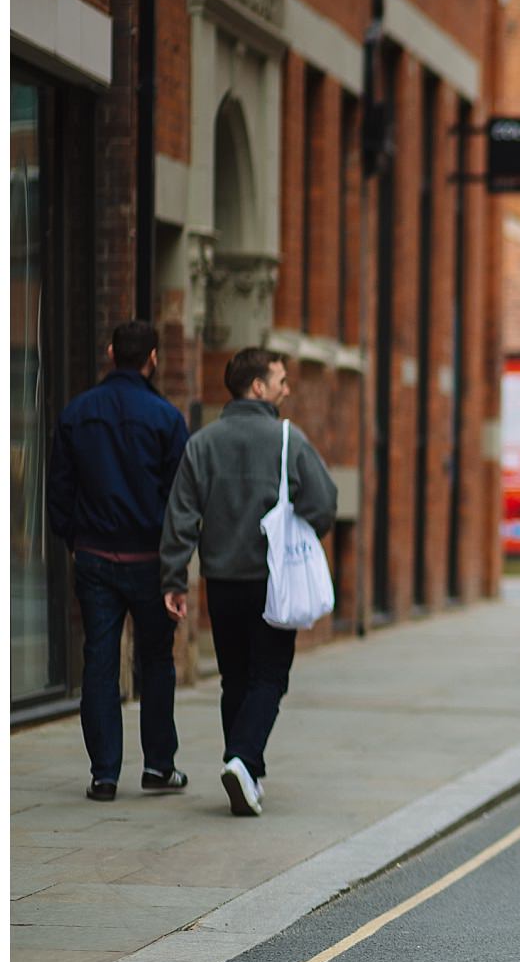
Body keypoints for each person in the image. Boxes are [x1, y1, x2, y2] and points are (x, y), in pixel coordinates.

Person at [160, 348, 337, 816]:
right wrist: (301, 523)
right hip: (272, 580)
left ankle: (248, 775)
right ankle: (241, 759)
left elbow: (180, 515)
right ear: (257, 387)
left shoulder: (202, 442)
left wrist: (174, 577)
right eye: (280, 380)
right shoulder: (286, 438)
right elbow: (324, 501)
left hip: (221, 582)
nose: (286, 388)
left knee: (234, 677)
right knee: (269, 677)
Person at [46, 321, 191, 801]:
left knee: (99, 663)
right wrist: (175, 564)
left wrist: (73, 538)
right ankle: (158, 766)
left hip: (93, 558)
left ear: (111, 352)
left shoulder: (76, 413)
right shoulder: (167, 418)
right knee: (157, 662)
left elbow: (60, 489)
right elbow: (178, 501)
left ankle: (104, 775)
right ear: (152, 357)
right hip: (150, 560)